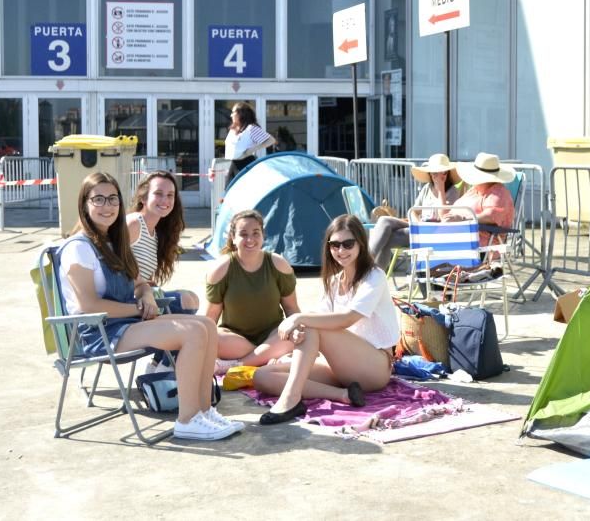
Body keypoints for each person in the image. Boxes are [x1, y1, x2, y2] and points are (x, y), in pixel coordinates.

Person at [57, 172, 242, 441]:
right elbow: (88, 305)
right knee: (190, 333)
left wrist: (145, 294)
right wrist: (138, 310)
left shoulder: (113, 243)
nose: (107, 206)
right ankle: (187, 419)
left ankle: (203, 411)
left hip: (124, 325)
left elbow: (141, 282)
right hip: (98, 333)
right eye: (98, 199)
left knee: (204, 325)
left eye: (112, 199)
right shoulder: (78, 248)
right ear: (84, 204)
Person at [246, 215, 400, 425]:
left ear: (361, 244)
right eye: (335, 245)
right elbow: (319, 320)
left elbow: (347, 319)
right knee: (262, 376)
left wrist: (299, 318)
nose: (341, 250)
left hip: (375, 367)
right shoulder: (334, 281)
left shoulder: (374, 276)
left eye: (348, 244)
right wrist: (294, 351)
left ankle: (290, 400)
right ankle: (343, 394)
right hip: (341, 366)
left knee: (312, 324)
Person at [205, 209, 301, 371]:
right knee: (211, 337)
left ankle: (237, 365)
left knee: (301, 332)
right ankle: (267, 358)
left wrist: (297, 329)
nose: (250, 239)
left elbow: (292, 309)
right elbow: (210, 318)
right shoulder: (221, 268)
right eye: (243, 234)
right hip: (235, 341)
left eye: (256, 233)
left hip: (274, 336)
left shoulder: (278, 264)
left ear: (263, 235)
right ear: (233, 238)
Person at [127, 170, 199, 372]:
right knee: (187, 302)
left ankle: (160, 365)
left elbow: (142, 273)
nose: (165, 200)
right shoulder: (134, 223)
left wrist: (148, 285)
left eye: (170, 195)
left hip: (142, 300)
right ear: (143, 196)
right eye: (158, 193)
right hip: (126, 303)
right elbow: (115, 264)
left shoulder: (156, 233)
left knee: (191, 305)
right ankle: (164, 369)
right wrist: (143, 287)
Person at [367, 153, 463, 270]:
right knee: (384, 220)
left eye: (440, 172)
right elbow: (413, 211)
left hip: (433, 232)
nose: (436, 176)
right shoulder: (427, 188)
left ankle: (370, 272)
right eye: (433, 172)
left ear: (446, 173)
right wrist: (417, 223)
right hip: (419, 227)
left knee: (386, 239)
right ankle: (367, 262)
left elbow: (444, 217)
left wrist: (441, 188)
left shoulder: (453, 191)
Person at [445, 152, 516, 249]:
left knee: (432, 250)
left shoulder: (499, 193)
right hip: (460, 237)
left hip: (481, 244)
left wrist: (462, 219)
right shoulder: (475, 190)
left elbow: (490, 216)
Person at [224, 102, 275, 184]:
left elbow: (271, 140)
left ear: (241, 114)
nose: (231, 115)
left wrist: (251, 150)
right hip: (231, 166)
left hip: (245, 165)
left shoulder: (251, 128)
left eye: (233, 112)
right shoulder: (232, 130)